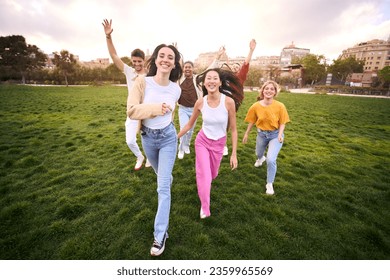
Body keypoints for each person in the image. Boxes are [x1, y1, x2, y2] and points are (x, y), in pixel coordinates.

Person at [127, 44, 182, 256]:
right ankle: (166, 177)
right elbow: (132, 111)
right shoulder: (142, 82)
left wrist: (166, 118)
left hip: (168, 138)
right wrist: (155, 109)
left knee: (163, 188)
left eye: (170, 57)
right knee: (163, 177)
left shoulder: (175, 88)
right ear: (155, 59)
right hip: (148, 140)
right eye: (162, 56)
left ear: (174, 63)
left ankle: (160, 236)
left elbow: (171, 114)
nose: (165, 59)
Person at [177, 68, 244, 219]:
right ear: (204, 83)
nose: (212, 81)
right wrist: (175, 137)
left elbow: (233, 130)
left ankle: (205, 185)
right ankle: (205, 207)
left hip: (219, 144)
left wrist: (234, 154)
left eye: (215, 78)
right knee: (204, 175)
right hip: (202, 141)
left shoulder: (228, 102)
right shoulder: (200, 102)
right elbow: (189, 125)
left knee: (213, 174)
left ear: (220, 82)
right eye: (209, 78)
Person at [102, 19, 150, 170]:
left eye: (139, 61)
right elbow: (114, 55)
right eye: (134, 61)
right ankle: (139, 156)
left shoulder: (150, 74)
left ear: (144, 61)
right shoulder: (129, 71)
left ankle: (149, 157)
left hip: (147, 110)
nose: (136, 64)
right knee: (130, 140)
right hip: (133, 110)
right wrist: (108, 37)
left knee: (147, 138)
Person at [242, 80, 290, 195]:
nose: (268, 91)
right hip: (261, 134)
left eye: (271, 89)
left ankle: (269, 184)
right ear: (262, 91)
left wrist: (279, 134)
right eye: (266, 88)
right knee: (259, 153)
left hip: (275, 134)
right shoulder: (255, 106)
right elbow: (252, 121)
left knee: (271, 159)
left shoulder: (280, 106)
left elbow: (283, 122)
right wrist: (246, 133)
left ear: (275, 92)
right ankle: (260, 158)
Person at [176, 47, 224, 159]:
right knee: (184, 128)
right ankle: (181, 149)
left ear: (193, 69)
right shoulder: (179, 79)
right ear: (183, 69)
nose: (187, 69)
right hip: (183, 109)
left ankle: (186, 145)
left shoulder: (197, 78)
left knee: (190, 130)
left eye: (189, 67)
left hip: (194, 109)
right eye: (185, 67)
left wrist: (218, 56)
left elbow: (209, 69)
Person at [221, 39, 257, 156]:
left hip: (232, 104)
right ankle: (214, 141)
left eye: (238, 66)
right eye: (234, 66)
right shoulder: (226, 76)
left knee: (226, 124)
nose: (236, 67)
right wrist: (223, 54)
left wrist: (251, 50)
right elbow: (226, 65)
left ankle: (223, 144)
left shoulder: (239, 77)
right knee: (217, 122)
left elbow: (245, 64)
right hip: (220, 102)